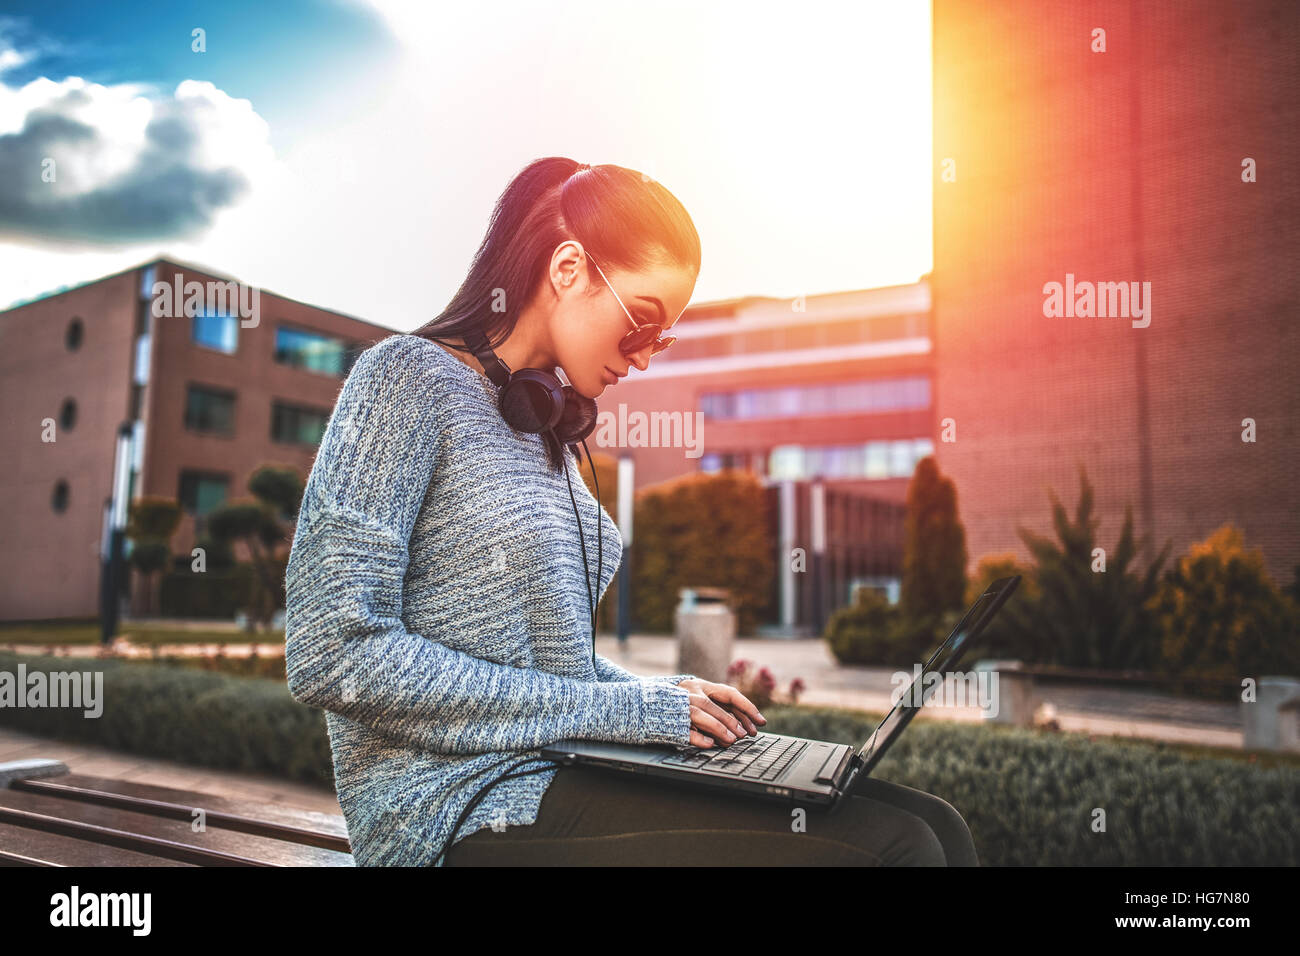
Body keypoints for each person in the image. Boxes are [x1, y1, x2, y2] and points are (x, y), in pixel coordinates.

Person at [283, 157, 978, 866]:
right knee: (896, 848)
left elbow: (555, 673)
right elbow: (332, 654)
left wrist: (664, 699)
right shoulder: (404, 381)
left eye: (662, 338)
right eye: (640, 322)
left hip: (554, 770)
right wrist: (635, 712)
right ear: (567, 268)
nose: (643, 358)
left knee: (935, 824)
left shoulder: (540, 426)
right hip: (449, 808)